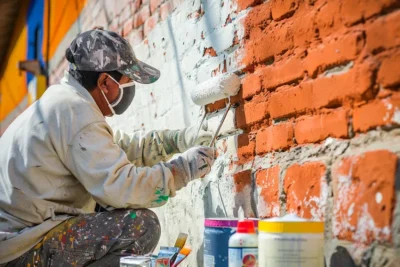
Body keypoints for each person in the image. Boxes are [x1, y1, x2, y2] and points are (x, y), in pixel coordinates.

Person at [0, 29, 215, 266]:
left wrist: (178, 139)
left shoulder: (64, 102)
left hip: (18, 240)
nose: (129, 89)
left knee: (104, 207)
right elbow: (121, 187)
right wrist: (181, 171)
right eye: (127, 82)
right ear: (104, 82)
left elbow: (120, 150)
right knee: (140, 226)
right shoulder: (75, 112)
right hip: (21, 250)